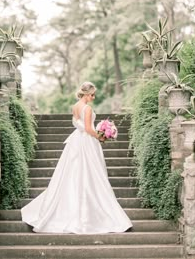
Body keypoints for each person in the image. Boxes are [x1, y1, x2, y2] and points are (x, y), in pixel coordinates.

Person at [21, 81, 132, 234]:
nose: (93, 97)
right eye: (92, 94)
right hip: (86, 142)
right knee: (91, 173)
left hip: (76, 142)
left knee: (74, 174)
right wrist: (101, 136)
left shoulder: (75, 107)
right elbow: (87, 128)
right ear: (86, 94)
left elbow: (79, 125)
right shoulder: (87, 108)